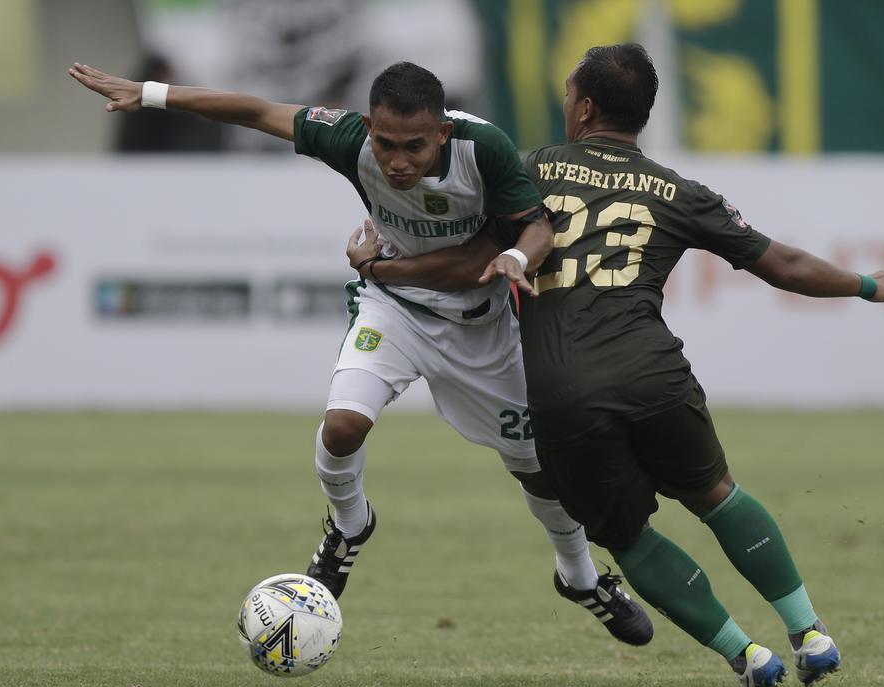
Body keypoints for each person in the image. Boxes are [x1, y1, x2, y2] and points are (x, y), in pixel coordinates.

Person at [348, 44, 884, 687]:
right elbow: (782, 265)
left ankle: (747, 656)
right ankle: (809, 631)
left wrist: (380, 268)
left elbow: (468, 261)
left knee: (625, 534)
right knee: (716, 494)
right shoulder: (678, 191)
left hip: (563, 390)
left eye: (568, 93)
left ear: (585, 108)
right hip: (652, 372)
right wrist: (867, 285)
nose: (565, 102)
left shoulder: (533, 172)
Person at [67, 60, 653, 645]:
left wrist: (513, 259)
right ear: (369, 127)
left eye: (415, 147)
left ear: (443, 132)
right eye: (386, 143)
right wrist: (150, 93)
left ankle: (578, 577)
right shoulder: (349, 139)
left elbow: (527, 234)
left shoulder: (484, 148)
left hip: (479, 326)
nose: (397, 162)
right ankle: (350, 528)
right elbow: (256, 110)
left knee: (537, 468)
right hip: (393, 311)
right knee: (342, 427)